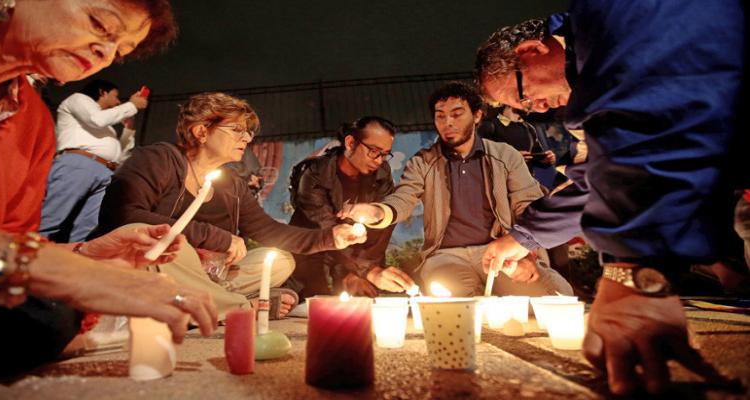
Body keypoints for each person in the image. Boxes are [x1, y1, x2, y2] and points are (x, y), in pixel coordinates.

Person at [474, 1, 744, 394]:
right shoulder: (603, 58)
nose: (540, 108)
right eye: (528, 109)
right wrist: (523, 237)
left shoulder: (613, 22)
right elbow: (604, 176)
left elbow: (649, 125)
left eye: (527, 96)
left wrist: (633, 273)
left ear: (531, 51)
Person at [0, 0, 217, 384]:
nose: (105, 53)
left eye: (120, 50)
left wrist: (87, 257)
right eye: (100, 23)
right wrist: (73, 275)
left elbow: (8, 246)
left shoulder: (32, 121)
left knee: (49, 311)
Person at [93, 92, 367, 321]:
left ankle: (200, 303)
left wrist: (331, 237)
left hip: (208, 275)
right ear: (201, 131)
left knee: (278, 260)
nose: (247, 139)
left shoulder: (232, 184)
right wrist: (218, 237)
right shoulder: (156, 160)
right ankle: (242, 307)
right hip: (154, 266)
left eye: (248, 132)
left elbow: (270, 230)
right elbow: (124, 216)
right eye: (237, 130)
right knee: (172, 247)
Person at [341, 82, 572, 297]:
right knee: (459, 303)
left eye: (456, 114)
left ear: (478, 116)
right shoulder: (423, 161)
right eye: (440, 116)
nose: (447, 123)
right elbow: (403, 199)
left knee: (558, 295)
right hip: (446, 256)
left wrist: (527, 252)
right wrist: (377, 212)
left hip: (499, 251)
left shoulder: (505, 156)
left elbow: (528, 205)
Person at [288, 116, 414, 298]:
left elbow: (379, 231)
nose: (379, 160)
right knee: (316, 306)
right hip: (313, 252)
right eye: (374, 151)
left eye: (385, 154)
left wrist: (361, 272)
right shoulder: (315, 175)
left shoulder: (381, 173)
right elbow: (328, 231)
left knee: (363, 307)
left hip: (356, 259)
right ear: (350, 142)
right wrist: (367, 270)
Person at [40, 79, 148, 242]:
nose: (118, 101)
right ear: (102, 92)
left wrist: (128, 128)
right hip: (79, 164)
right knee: (54, 218)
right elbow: (96, 119)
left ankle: (74, 261)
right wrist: (131, 105)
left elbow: (120, 155)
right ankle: (27, 255)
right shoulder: (78, 99)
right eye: (116, 96)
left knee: (88, 228)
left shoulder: (107, 128)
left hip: (105, 171)